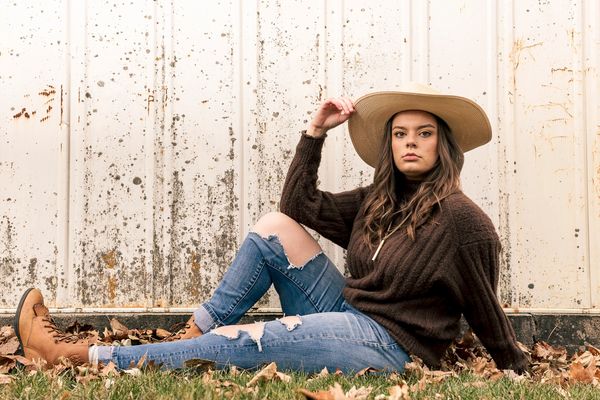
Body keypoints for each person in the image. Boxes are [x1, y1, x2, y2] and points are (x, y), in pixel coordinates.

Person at [14, 82, 528, 373]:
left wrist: (514, 368)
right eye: (399, 133)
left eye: (424, 133)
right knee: (273, 227)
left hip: (390, 346)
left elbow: (486, 308)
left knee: (252, 338)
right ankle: (195, 334)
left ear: (444, 145)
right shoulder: (379, 199)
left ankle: (82, 357)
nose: (410, 142)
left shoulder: (463, 220)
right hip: (348, 313)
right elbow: (298, 204)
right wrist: (315, 132)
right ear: (390, 145)